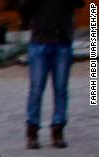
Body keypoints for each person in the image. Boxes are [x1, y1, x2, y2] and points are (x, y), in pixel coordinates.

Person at [21, 0, 82, 148]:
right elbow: (24, 6)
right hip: (40, 41)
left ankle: (58, 129)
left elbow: (79, 3)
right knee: (36, 89)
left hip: (62, 42)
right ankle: (32, 130)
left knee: (61, 88)